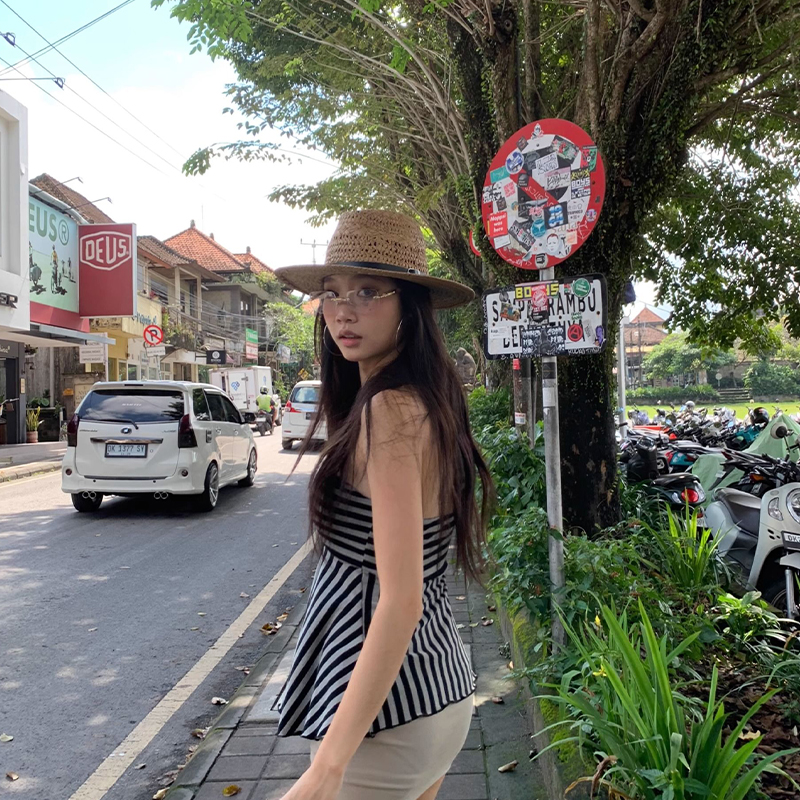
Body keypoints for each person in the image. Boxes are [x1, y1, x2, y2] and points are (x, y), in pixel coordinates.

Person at [272, 210, 494, 800]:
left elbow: (400, 599)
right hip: (436, 692)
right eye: (332, 292)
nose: (343, 311)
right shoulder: (424, 398)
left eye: (368, 292)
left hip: (386, 719)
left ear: (409, 306)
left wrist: (329, 766)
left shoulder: (389, 409)